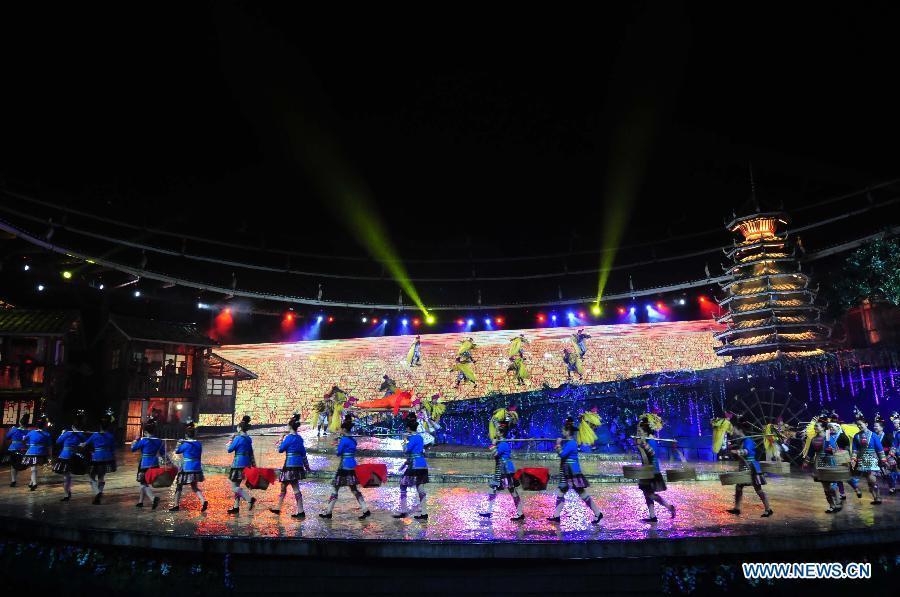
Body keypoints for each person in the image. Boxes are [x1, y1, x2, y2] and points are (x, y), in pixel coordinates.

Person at [549, 413, 604, 524]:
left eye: (563, 430)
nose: (562, 432)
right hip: (566, 472)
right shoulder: (570, 442)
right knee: (561, 492)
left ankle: (598, 513)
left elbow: (562, 455)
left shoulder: (571, 443)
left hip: (572, 473)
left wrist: (558, 444)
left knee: (582, 494)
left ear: (567, 431)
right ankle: (556, 516)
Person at [320, 414, 371, 520]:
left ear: (344, 429)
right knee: (354, 489)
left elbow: (339, 453)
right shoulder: (353, 440)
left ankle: (328, 512)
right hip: (353, 466)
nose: (340, 430)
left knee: (335, 489)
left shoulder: (343, 440)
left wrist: (337, 446)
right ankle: (365, 509)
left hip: (344, 467)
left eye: (341, 429)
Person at [480, 409, 525, 521]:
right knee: (493, 488)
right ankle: (489, 511)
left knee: (512, 490)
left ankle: (520, 513)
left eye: (497, 432)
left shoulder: (503, 444)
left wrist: (492, 445)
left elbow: (495, 454)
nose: (495, 433)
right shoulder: (502, 443)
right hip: (500, 469)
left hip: (506, 471)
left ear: (500, 433)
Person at [725, 416, 773, 517]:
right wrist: (733, 452)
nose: (733, 431)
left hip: (752, 468)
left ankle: (768, 509)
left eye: (735, 429)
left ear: (740, 430)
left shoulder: (748, 440)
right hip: (745, 467)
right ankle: (737, 508)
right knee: (739, 487)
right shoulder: (742, 441)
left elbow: (747, 452)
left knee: (758, 489)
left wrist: (736, 451)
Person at [635, 413, 676, 522]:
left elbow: (651, 454)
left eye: (641, 428)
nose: (639, 430)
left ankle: (669, 507)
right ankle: (652, 516)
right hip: (646, 470)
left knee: (649, 494)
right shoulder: (647, 439)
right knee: (646, 493)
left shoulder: (650, 441)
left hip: (651, 471)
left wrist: (643, 445)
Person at [270, 417, 310, 518]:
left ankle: (300, 511)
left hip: (289, 466)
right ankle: (279, 508)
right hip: (298, 465)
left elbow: (280, 450)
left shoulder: (288, 438)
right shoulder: (299, 438)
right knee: (285, 487)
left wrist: (280, 439)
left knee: (293, 487)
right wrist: (307, 466)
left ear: (290, 426)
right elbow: (303, 454)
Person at [394, 412, 430, 520]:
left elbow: (406, 451)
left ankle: (404, 511)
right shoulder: (420, 438)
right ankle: (424, 513)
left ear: (409, 428)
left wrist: (404, 440)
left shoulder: (412, 439)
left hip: (415, 466)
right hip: (423, 465)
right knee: (420, 489)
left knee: (402, 485)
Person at [850, 408, 887, 505]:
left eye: (860, 425)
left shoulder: (873, 435)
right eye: (857, 425)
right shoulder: (856, 436)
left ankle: (878, 496)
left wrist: (883, 459)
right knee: (868, 480)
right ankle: (875, 498)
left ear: (866, 424)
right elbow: (854, 449)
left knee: (871, 478)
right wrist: (853, 459)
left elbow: (879, 448)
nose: (859, 426)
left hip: (872, 458)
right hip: (862, 459)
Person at [170, 419, 208, 512]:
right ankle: (203, 501)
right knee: (194, 487)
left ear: (186, 435)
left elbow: (177, 451)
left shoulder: (185, 444)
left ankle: (176, 505)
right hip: (197, 468)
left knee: (179, 486)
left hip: (187, 468)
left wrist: (179, 443)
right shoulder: (199, 444)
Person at [804, 420, 841, 512]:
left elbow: (834, 449)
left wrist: (830, 451)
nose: (815, 428)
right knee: (825, 486)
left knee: (832, 484)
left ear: (823, 428)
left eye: (817, 426)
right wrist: (806, 462)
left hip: (829, 461)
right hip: (819, 462)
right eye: (815, 426)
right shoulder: (814, 439)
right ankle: (831, 505)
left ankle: (838, 502)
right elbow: (811, 452)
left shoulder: (828, 435)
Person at [83, 410, 117, 505]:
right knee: (101, 476)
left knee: (91, 476)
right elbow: (113, 449)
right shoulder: (110, 436)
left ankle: (97, 493)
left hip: (97, 457)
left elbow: (84, 444)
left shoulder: (95, 435)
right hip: (107, 458)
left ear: (100, 426)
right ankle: (99, 494)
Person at [130, 418, 166, 510]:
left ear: (145, 431)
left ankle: (153, 499)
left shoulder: (144, 440)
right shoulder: (159, 441)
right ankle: (140, 502)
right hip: (155, 464)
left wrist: (136, 440)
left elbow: (133, 449)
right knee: (145, 483)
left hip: (145, 464)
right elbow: (163, 453)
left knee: (143, 483)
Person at [226, 415, 257, 514]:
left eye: (238, 427)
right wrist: (253, 465)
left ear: (240, 428)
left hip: (238, 464)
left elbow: (229, 450)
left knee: (234, 487)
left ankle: (249, 499)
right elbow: (251, 452)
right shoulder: (248, 439)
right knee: (237, 486)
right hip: (246, 464)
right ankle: (236, 507)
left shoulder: (238, 438)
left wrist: (230, 441)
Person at [53, 410, 87, 501]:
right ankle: (67, 492)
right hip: (75, 456)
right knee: (68, 476)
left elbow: (58, 442)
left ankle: (66, 494)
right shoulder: (80, 434)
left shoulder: (67, 433)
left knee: (66, 476)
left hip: (65, 456)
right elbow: (84, 441)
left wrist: (62, 433)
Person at [21, 414, 52, 491]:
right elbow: (49, 447)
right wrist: (50, 456)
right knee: (34, 468)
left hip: (32, 452)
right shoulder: (47, 434)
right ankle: (32, 483)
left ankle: (34, 483)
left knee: (33, 469)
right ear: (44, 426)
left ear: (37, 426)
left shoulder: (31, 432)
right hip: (41, 452)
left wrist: (25, 441)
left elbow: (24, 440)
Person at [3, 413, 31, 487]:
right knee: (22, 465)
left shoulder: (14, 429)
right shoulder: (29, 432)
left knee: (13, 465)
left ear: (20, 422)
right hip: (23, 450)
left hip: (14, 449)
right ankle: (32, 481)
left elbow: (7, 437)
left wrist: (11, 430)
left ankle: (13, 481)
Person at [872, 414, 896, 494]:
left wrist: (889, 456)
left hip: (886, 457)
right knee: (875, 473)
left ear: (881, 427)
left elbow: (893, 446)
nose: (875, 428)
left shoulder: (887, 436)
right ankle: (876, 487)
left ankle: (892, 487)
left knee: (887, 474)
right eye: (874, 426)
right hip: (876, 457)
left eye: (877, 426)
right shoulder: (873, 436)